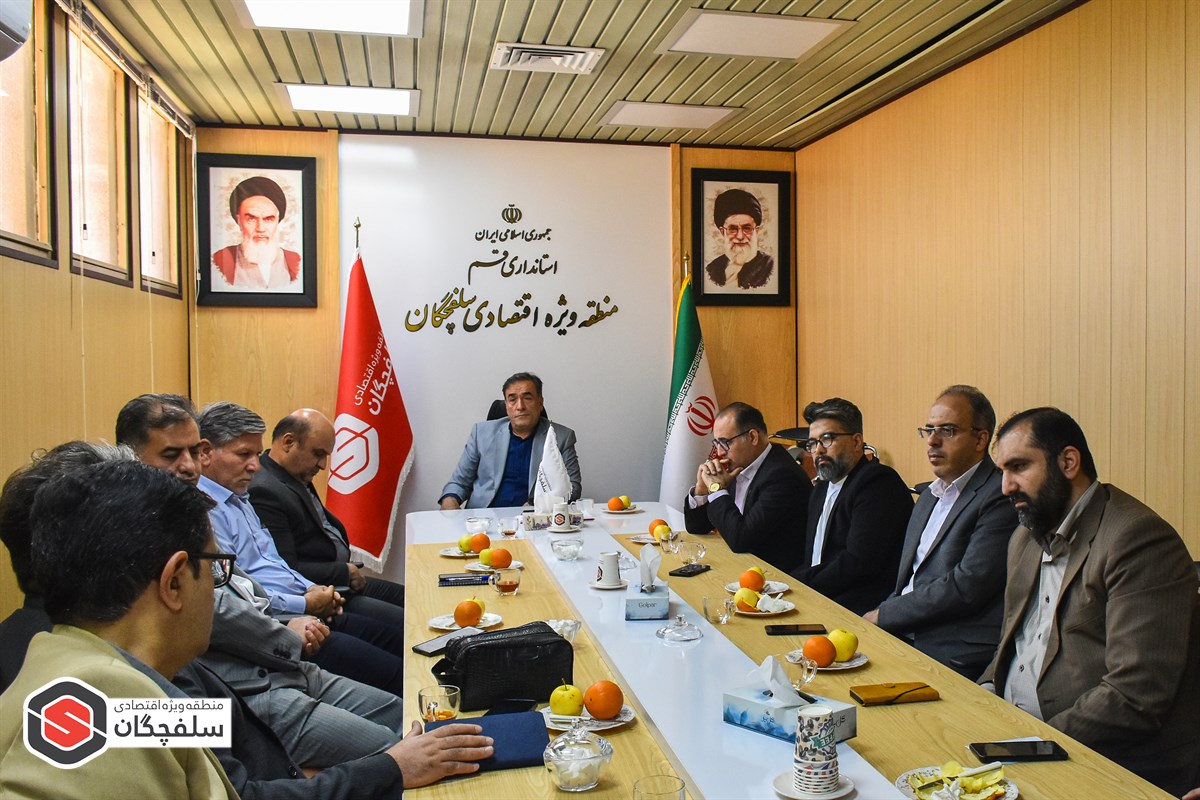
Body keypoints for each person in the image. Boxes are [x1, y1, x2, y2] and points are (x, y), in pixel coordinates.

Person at [0, 446, 492, 798]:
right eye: (217, 568)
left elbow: (234, 771)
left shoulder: (101, 665)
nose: (222, 588)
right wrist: (387, 769)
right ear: (174, 582)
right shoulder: (108, 705)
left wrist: (319, 774)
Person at [116, 394, 409, 765]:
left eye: (195, 451)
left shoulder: (191, 511)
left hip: (282, 663)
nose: (190, 466)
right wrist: (291, 631)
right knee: (394, 751)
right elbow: (220, 610)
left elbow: (241, 582)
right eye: (173, 455)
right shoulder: (138, 539)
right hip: (250, 687)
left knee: (406, 718)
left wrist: (301, 611)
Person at [980, 407, 1200, 795]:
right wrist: (978, 700)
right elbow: (1009, 647)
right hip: (1012, 733)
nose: (1006, 487)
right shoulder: (1025, 537)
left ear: (1068, 462)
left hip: (1102, 758)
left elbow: (1135, 695)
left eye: (1019, 467)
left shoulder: (1138, 539)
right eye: (1002, 471)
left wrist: (1029, 745)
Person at [0, 460, 238, 798]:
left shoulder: (59, 662)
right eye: (213, 568)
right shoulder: (106, 695)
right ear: (174, 582)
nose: (215, 589)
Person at [195, 402, 408, 661]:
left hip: (310, 598)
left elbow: (275, 564)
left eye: (256, 454)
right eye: (244, 454)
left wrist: (314, 589)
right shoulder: (210, 509)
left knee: (403, 633)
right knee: (397, 654)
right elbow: (240, 595)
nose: (255, 466)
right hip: (285, 621)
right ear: (205, 452)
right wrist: (308, 602)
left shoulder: (240, 497)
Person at [864, 386, 1017, 678]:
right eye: (929, 430)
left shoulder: (999, 495)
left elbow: (967, 586)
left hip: (951, 649)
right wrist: (881, 615)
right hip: (899, 633)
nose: (932, 441)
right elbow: (908, 582)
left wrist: (885, 615)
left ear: (980, 439)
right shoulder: (928, 496)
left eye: (947, 430)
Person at [249, 409, 404, 609]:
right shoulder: (264, 490)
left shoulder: (293, 474)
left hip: (339, 580)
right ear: (288, 442)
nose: (323, 465)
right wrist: (344, 572)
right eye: (318, 454)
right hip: (318, 594)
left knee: (411, 598)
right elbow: (286, 568)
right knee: (403, 621)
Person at [789, 398, 913, 614]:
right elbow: (812, 559)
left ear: (856, 442)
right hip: (819, 597)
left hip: (859, 608)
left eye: (827, 439)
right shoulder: (821, 489)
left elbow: (857, 565)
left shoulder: (877, 483)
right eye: (812, 443)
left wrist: (795, 583)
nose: (818, 450)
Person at [682, 402, 812, 572]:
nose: (719, 452)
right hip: (743, 567)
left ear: (752, 437)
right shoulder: (739, 464)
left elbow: (741, 540)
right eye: (716, 443)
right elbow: (696, 527)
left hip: (774, 577)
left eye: (725, 442)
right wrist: (702, 489)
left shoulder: (782, 476)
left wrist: (717, 489)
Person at [440, 372, 581, 508]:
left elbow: (573, 487)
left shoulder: (561, 437)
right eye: (512, 400)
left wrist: (537, 504)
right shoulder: (481, 433)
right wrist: (450, 501)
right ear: (506, 406)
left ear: (540, 402)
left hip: (533, 517)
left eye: (527, 398)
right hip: (485, 516)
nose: (520, 406)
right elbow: (458, 483)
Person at [212, 176, 301, 291]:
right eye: (251, 219)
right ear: (239, 220)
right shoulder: (220, 260)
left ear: (277, 220)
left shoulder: (296, 261)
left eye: (268, 219)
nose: (260, 228)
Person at [704, 188, 774, 290]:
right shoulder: (712, 270)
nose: (740, 236)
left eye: (747, 228)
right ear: (723, 232)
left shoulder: (770, 267)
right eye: (733, 229)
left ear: (756, 231)